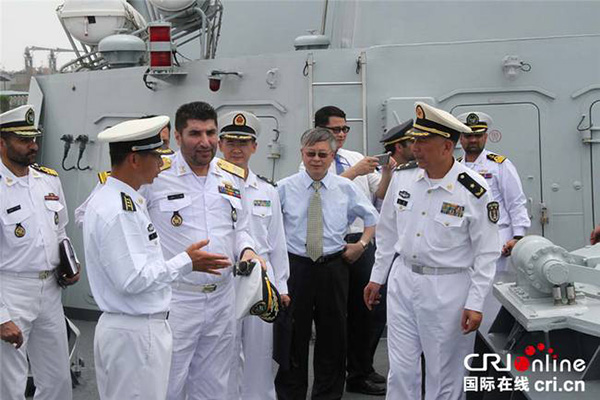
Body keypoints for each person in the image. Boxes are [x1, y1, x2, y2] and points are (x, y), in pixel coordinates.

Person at [82, 115, 231, 400]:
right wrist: (187, 261)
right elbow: (133, 279)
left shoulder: (124, 200)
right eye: (156, 156)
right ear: (135, 160)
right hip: (136, 331)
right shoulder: (117, 210)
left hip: (138, 327)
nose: (162, 165)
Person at [364, 102, 500, 400]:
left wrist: (476, 302)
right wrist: (377, 278)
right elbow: (387, 232)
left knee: (445, 372)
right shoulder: (403, 178)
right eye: (414, 140)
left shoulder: (473, 190)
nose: (415, 147)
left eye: (423, 140)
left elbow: (487, 252)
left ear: (447, 146)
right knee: (400, 368)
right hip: (403, 282)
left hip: (447, 287)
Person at [140, 102, 265, 400]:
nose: (205, 141)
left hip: (223, 298)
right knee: (166, 384)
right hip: (177, 299)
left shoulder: (230, 176)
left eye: (211, 133)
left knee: (214, 387)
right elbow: (108, 214)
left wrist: (248, 250)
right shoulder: (155, 175)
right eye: (195, 133)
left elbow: (241, 228)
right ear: (178, 136)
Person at [276, 127, 379, 400]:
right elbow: (269, 227)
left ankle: (328, 394)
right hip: (296, 267)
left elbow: (372, 219)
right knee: (293, 335)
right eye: (311, 154)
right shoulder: (284, 188)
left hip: (333, 267)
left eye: (323, 154)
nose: (316, 159)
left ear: (332, 156)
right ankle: (291, 393)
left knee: (333, 336)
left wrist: (362, 244)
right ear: (302, 154)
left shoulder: (345, 188)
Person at [310, 106, 393, 395]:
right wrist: (354, 172)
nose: (342, 134)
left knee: (369, 311)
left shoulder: (356, 157)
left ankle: (361, 370)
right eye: (336, 129)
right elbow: (320, 190)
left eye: (345, 129)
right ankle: (334, 377)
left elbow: (378, 196)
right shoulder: (314, 159)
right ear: (321, 130)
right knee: (334, 316)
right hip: (332, 246)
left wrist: (387, 173)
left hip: (363, 240)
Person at [0, 105, 79, 400]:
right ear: (2, 142)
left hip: (50, 290)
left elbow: (61, 231)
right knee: (9, 384)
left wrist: (69, 262)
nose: (33, 146)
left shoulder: (48, 180)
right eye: (23, 140)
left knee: (58, 379)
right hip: (10, 289)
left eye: (34, 139)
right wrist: (0, 316)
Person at [218, 110, 290, 400]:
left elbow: (277, 242)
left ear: (254, 147)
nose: (237, 148)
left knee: (260, 353)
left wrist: (282, 286)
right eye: (231, 141)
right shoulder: (210, 183)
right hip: (225, 277)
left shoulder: (266, 190)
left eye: (244, 142)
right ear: (221, 144)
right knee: (223, 352)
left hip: (261, 280)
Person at [457, 112, 530, 271]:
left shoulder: (499, 165)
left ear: (486, 137)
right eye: (468, 135)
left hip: (497, 239)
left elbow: (516, 202)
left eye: (478, 135)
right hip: (464, 241)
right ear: (460, 138)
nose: (473, 140)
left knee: (494, 290)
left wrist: (518, 236)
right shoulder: (454, 167)